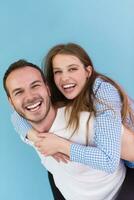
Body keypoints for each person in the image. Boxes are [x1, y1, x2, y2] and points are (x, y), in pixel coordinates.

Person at [3, 59, 134, 199]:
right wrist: (36, 137)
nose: (29, 97)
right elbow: (15, 118)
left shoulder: (88, 122)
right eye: (18, 92)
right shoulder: (28, 130)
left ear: (48, 89)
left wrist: (63, 146)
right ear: (11, 102)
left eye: (35, 86)